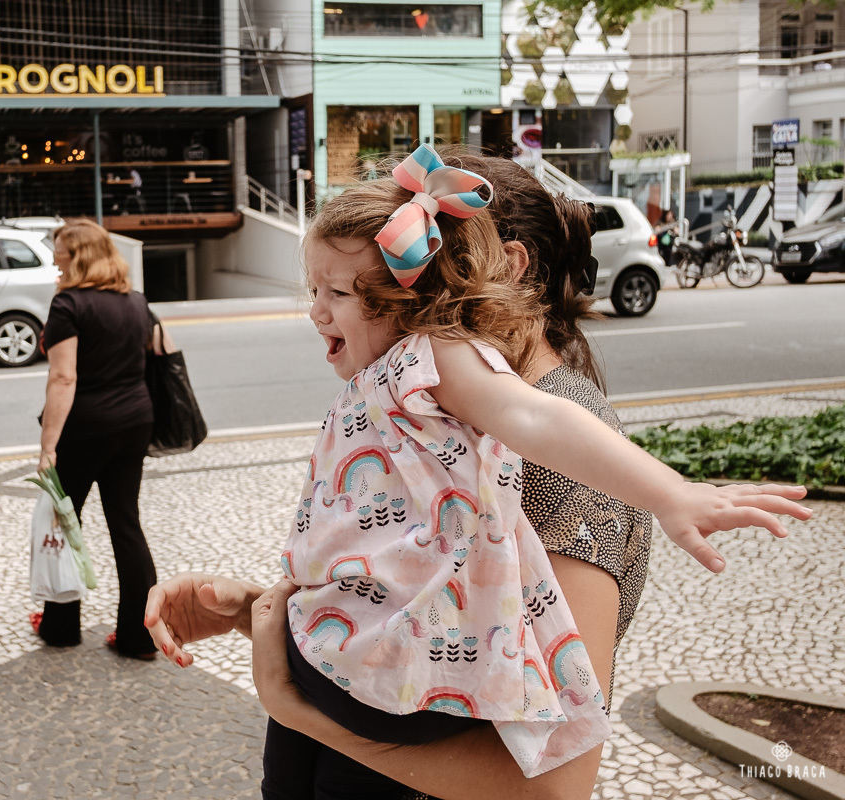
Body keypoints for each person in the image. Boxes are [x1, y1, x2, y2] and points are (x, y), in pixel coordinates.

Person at [144, 148, 812, 798]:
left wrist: (292, 703)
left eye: (348, 288)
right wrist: (251, 610)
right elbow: (411, 583)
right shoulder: (416, 398)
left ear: (492, 269)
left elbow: (553, 785)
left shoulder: (539, 444)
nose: (317, 310)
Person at [36, 219, 159, 660]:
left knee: (66, 521)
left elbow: (63, 376)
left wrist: (48, 445)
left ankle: (61, 626)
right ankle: (139, 637)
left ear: (80, 257)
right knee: (126, 525)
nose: (54, 260)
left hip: (84, 427)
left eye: (61, 254)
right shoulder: (137, 302)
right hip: (134, 421)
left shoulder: (69, 305)